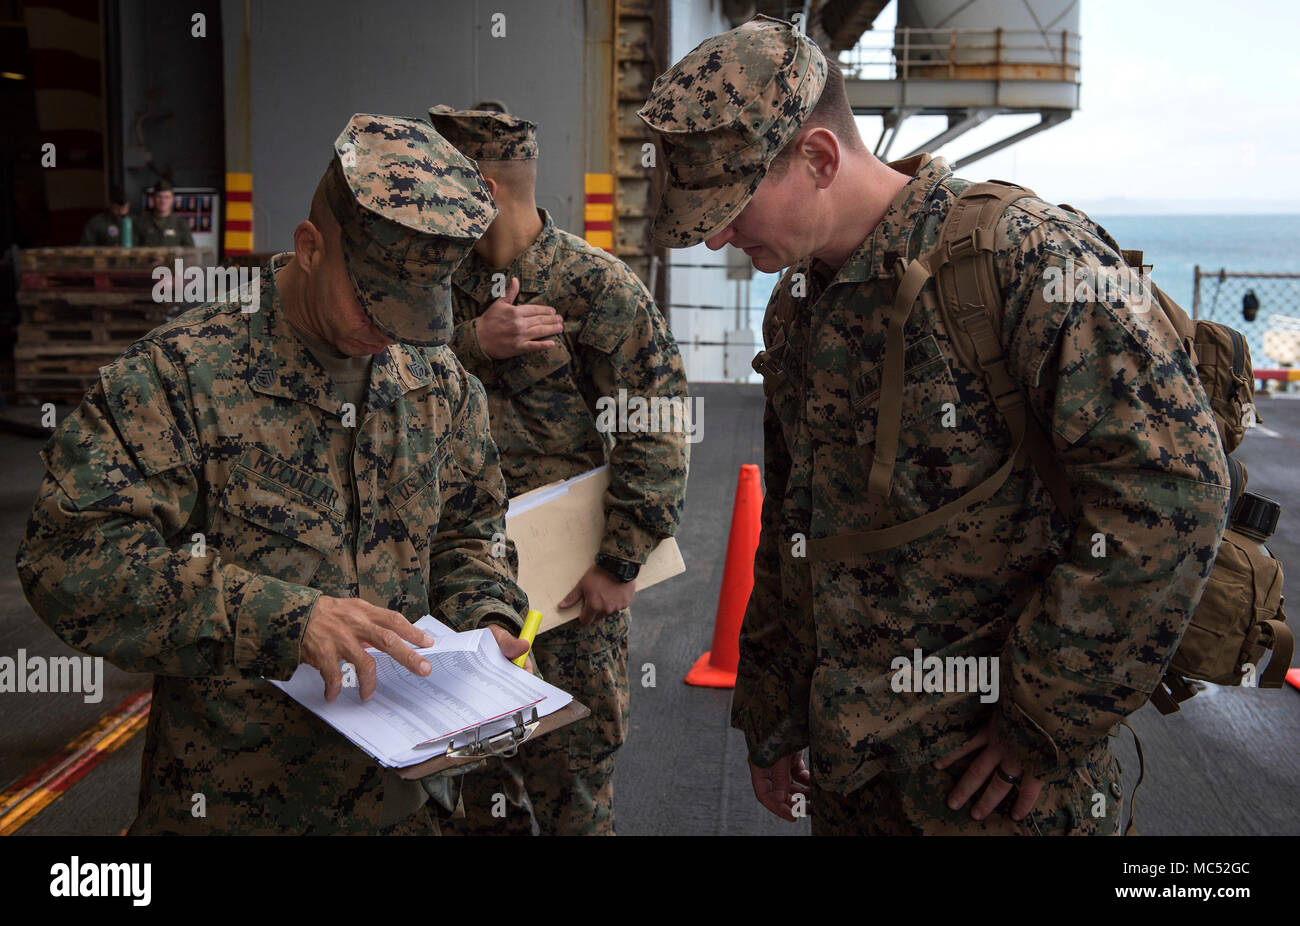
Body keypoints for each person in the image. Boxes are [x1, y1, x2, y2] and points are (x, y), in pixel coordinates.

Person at [638, 16, 1230, 835]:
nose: (714, 236)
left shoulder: (1027, 259)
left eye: (733, 205)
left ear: (817, 157)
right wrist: (772, 716)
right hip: (854, 773)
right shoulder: (800, 307)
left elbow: (1172, 492)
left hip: (994, 787)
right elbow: (793, 525)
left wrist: (1043, 720)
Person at [16, 113, 534, 835]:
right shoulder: (181, 377)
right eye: (376, 301)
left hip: (409, 805)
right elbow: (66, 560)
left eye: (420, 309)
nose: (395, 332)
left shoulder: (435, 380)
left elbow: (470, 533)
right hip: (240, 807)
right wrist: (282, 619)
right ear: (310, 247)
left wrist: (487, 624)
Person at [426, 103, 690, 835]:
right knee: (474, 793)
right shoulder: (429, 291)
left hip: (571, 591)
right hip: (454, 585)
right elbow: (385, 388)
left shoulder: (595, 287)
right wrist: (471, 344)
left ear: (481, 186)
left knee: (575, 791)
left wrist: (623, 561)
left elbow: (656, 425)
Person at [137, 178, 195, 246]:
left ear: (172, 199)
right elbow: (132, 252)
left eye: (167, 197)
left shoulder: (180, 224)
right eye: (159, 197)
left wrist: (175, 257)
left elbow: (189, 253)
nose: (163, 201)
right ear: (152, 199)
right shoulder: (140, 223)